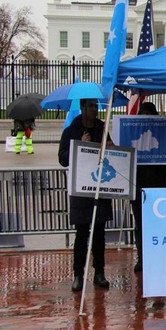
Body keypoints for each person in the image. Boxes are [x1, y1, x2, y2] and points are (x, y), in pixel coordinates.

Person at [58, 98, 112, 292]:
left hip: (99, 187)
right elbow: (63, 159)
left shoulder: (102, 130)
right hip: (81, 190)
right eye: (89, 106)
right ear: (82, 108)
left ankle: (99, 272)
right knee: (82, 234)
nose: (93, 109)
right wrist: (79, 145)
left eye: (95, 105)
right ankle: (78, 275)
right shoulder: (71, 131)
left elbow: (112, 153)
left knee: (99, 233)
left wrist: (110, 146)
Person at [131, 102, 166, 273]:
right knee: (139, 224)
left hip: (157, 185)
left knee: (157, 224)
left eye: (149, 115)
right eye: (142, 115)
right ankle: (142, 257)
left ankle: (157, 256)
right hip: (137, 185)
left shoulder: (161, 134)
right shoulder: (132, 134)